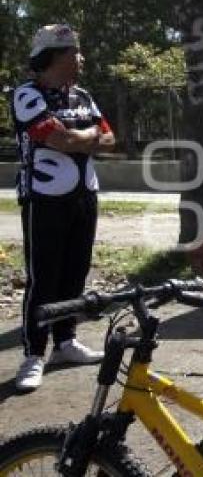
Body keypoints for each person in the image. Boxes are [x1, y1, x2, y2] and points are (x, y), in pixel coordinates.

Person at [11, 24, 115, 391]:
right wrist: (84, 138)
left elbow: (109, 138)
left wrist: (79, 139)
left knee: (75, 271)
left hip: (85, 194)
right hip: (44, 197)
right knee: (44, 275)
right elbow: (54, 138)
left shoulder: (82, 96)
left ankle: (65, 341)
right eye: (74, 51)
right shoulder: (27, 95)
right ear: (54, 56)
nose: (80, 57)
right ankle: (33, 354)